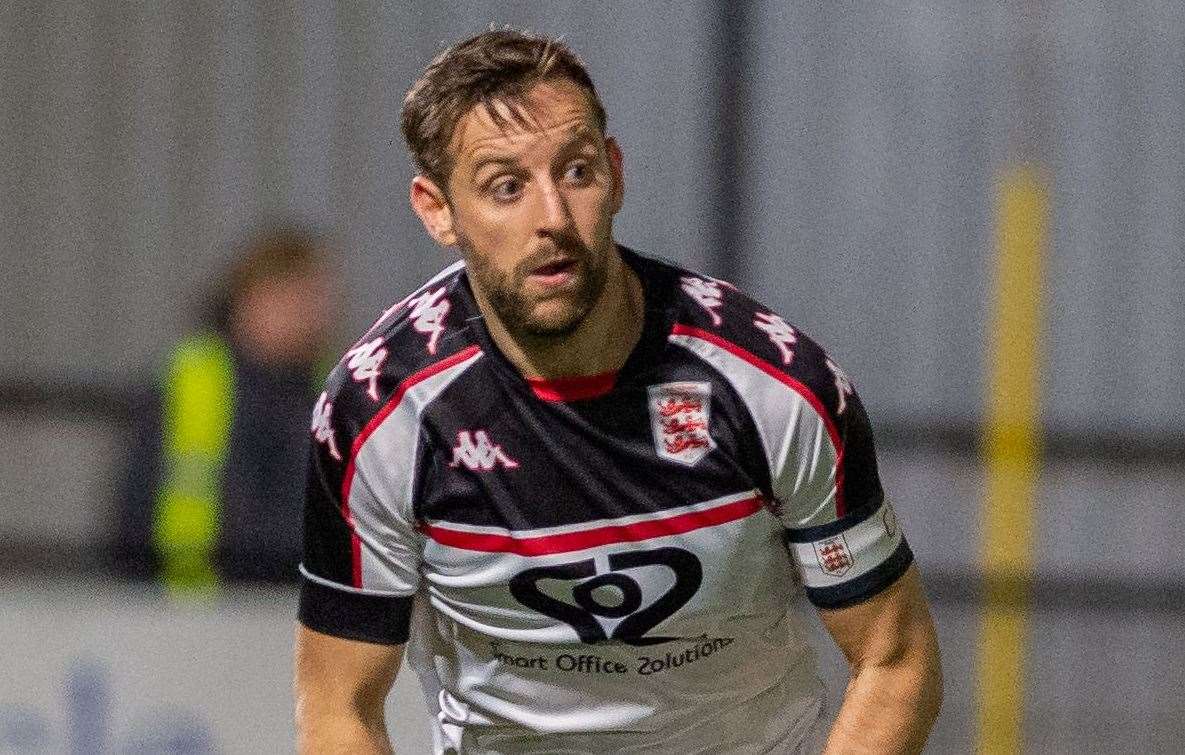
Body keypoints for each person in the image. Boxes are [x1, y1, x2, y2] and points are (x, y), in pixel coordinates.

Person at [294, 29, 941, 754]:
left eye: (575, 171)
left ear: (615, 172)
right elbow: (339, 706)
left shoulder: (774, 389)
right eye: (505, 185)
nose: (552, 218)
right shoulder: (380, 411)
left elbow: (894, 658)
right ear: (436, 209)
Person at [113, 226, 335, 592]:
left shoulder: (333, 388)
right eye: (290, 296)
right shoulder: (193, 377)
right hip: (183, 605)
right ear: (247, 300)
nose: (308, 313)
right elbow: (135, 507)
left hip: (296, 609)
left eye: (313, 299)